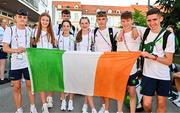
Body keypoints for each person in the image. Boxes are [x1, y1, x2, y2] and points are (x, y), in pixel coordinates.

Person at [2, 8, 38, 113]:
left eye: (24, 17)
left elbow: (34, 43)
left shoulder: (30, 30)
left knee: (30, 85)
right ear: (15, 18)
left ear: (27, 19)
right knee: (16, 87)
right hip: (15, 63)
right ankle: (19, 109)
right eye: (20, 17)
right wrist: (16, 50)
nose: (22, 19)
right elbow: (5, 48)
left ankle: (32, 107)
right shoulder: (10, 30)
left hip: (28, 62)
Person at [141, 8, 175, 113]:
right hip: (148, 74)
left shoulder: (168, 36)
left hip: (163, 76)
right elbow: (128, 26)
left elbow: (169, 61)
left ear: (161, 19)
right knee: (146, 104)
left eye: (154, 19)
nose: (151, 23)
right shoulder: (145, 31)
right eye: (149, 20)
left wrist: (153, 57)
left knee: (161, 104)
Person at [92, 10, 118, 113]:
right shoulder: (94, 32)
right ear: (97, 20)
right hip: (98, 62)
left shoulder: (113, 30)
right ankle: (103, 106)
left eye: (103, 19)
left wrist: (133, 28)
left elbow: (126, 29)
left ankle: (106, 110)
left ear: (106, 20)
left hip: (109, 63)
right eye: (99, 19)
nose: (101, 21)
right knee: (101, 87)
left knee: (106, 87)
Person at [116, 11, 141, 113]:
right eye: (123, 21)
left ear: (132, 21)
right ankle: (119, 111)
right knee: (120, 93)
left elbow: (152, 30)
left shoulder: (138, 31)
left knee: (132, 93)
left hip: (132, 70)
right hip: (120, 69)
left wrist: (134, 27)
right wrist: (122, 31)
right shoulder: (119, 33)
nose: (125, 23)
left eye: (128, 21)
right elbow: (117, 39)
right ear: (121, 22)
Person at [33, 12, 57, 113]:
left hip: (50, 60)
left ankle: (50, 97)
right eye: (43, 20)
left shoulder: (52, 31)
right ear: (40, 20)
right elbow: (32, 45)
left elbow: (55, 44)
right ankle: (44, 105)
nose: (45, 22)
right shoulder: (35, 31)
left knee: (52, 82)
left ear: (49, 21)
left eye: (47, 20)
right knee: (42, 83)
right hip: (40, 61)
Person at [75, 17, 97, 113]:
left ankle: (89, 106)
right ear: (80, 24)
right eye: (82, 23)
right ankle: (86, 105)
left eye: (86, 23)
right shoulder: (77, 35)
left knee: (88, 85)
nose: (84, 25)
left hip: (90, 62)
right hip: (80, 63)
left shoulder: (92, 34)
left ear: (89, 24)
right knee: (85, 85)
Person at [58, 20, 76, 111]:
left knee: (71, 82)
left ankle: (70, 101)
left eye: (67, 26)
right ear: (62, 27)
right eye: (64, 26)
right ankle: (64, 100)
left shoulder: (73, 38)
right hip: (61, 63)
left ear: (70, 27)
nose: (66, 28)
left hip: (71, 63)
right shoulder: (58, 38)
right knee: (62, 83)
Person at [0, 19, 8, 83]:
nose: (5, 23)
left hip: (1, 48)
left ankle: (1, 76)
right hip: (1, 48)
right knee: (2, 64)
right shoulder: (2, 30)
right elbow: (4, 39)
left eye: (6, 22)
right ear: (1, 23)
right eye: (4, 22)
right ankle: (2, 79)